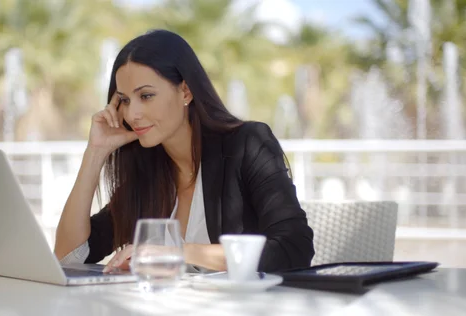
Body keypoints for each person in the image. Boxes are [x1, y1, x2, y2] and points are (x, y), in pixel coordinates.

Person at [54, 29, 314, 274]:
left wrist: (177, 252)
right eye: (124, 100)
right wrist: (95, 152)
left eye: (146, 96)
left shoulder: (248, 144)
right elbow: (69, 258)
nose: (132, 114)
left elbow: (294, 250)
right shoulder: (148, 172)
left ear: (186, 91)